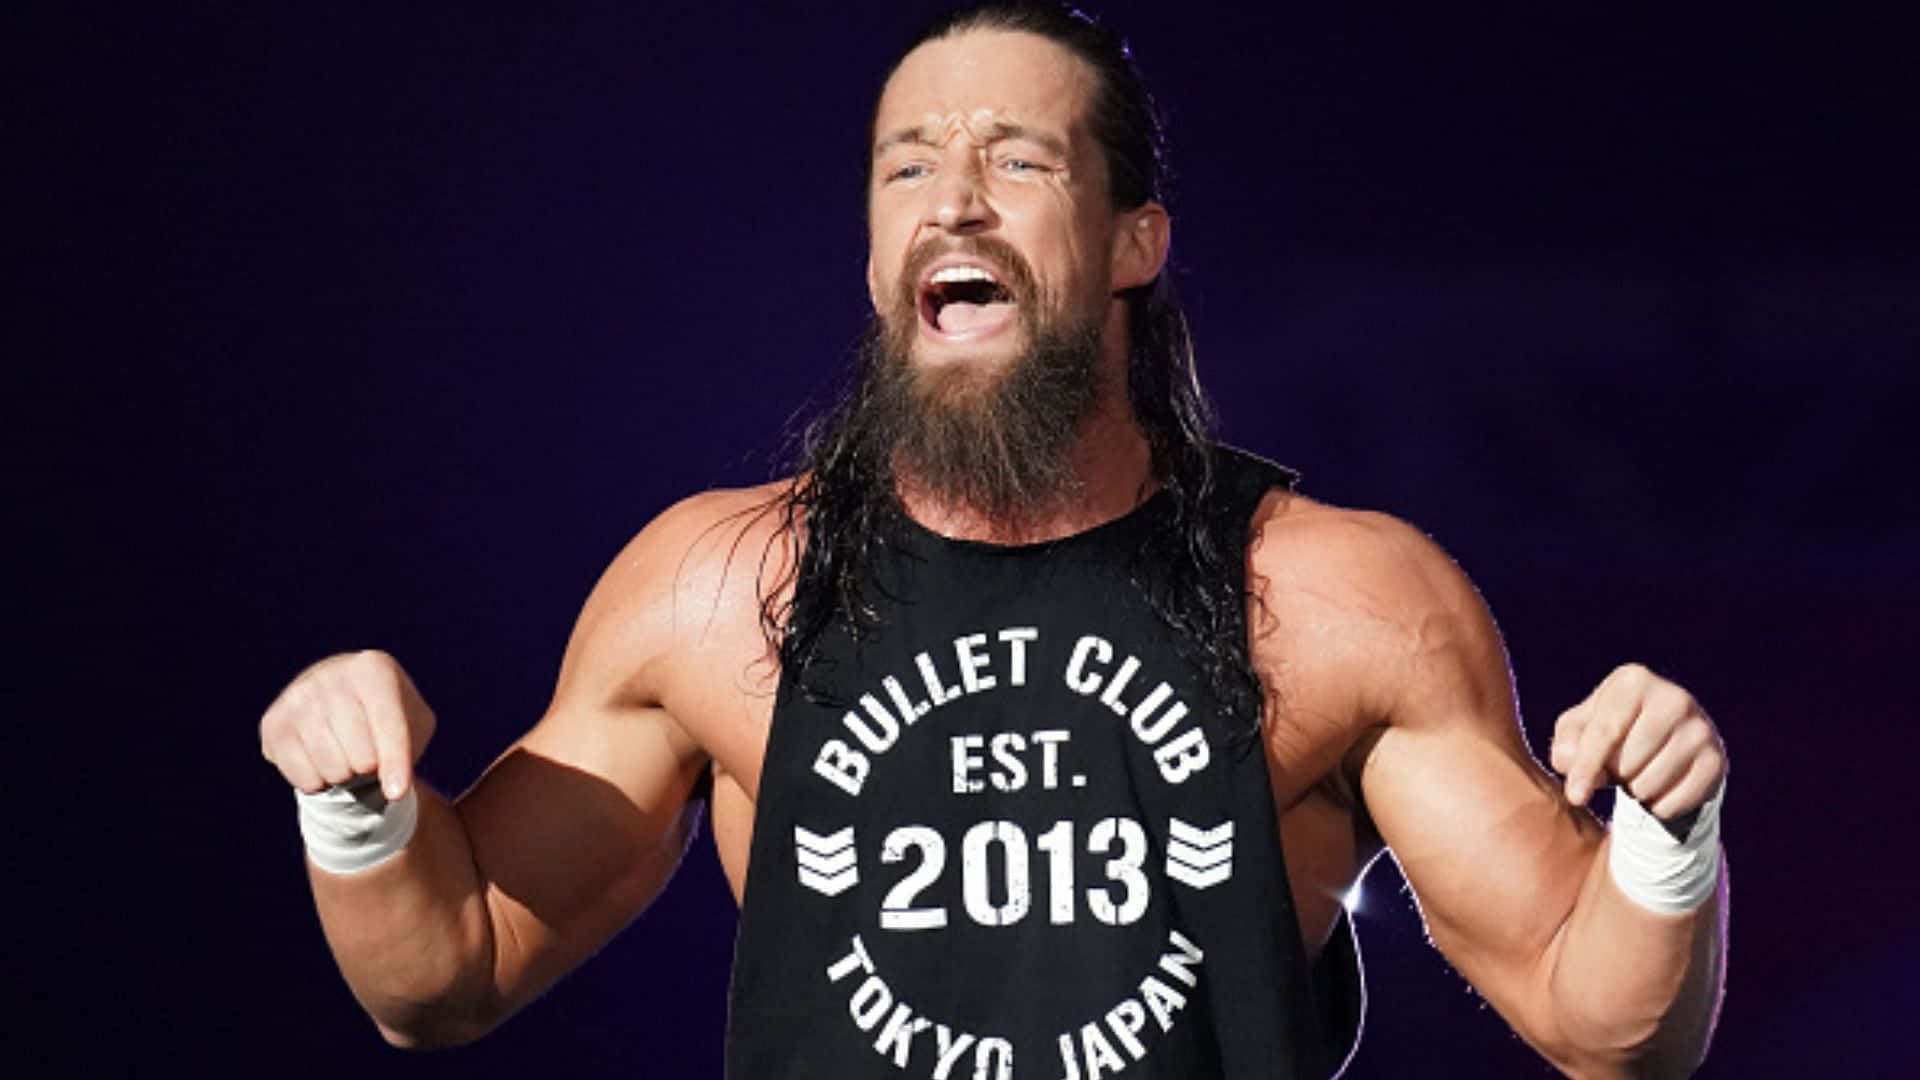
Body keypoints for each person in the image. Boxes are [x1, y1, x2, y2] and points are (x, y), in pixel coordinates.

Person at [260, 3, 1728, 1076]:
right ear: (873, 252)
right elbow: (447, 972)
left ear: (1135, 240)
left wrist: (1669, 837)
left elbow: (1600, 1020)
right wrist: (355, 800)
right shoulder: (716, 592)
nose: (952, 200)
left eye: (1017, 161)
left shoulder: (1334, 596)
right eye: (906, 169)